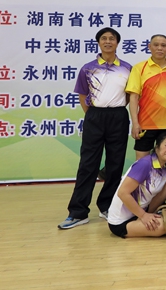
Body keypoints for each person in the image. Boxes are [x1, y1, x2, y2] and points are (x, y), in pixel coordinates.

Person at [58, 28, 132, 229]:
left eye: (112, 38)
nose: (108, 41)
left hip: (118, 116)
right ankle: (78, 212)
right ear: (99, 43)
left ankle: (107, 206)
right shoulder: (88, 68)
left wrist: (115, 109)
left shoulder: (127, 68)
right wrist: (94, 114)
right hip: (94, 116)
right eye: (104, 38)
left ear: (117, 43)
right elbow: (83, 95)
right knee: (88, 164)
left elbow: (129, 95)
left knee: (115, 163)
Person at [107, 132, 166, 238]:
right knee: (164, 226)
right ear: (157, 147)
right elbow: (122, 193)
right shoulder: (144, 164)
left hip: (144, 210)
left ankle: (153, 214)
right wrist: (143, 216)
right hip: (122, 221)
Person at [126, 34, 166, 160]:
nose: (159, 48)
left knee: (164, 163)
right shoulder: (139, 68)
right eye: (156, 45)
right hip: (145, 124)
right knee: (141, 163)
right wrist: (135, 123)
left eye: (163, 45)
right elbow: (133, 98)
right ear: (149, 47)